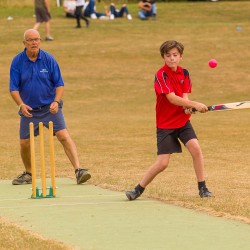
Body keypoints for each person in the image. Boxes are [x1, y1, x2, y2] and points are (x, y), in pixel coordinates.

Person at [125, 40, 212, 200]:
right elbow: (172, 98)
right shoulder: (161, 75)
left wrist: (189, 107)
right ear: (163, 57)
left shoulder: (184, 73)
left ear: (181, 57)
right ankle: (137, 189)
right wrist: (195, 104)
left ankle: (203, 188)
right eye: (168, 55)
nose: (172, 58)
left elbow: (184, 96)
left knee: (196, 149)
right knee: (163, 163)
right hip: (165, 124)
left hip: (183, 121)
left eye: (175, 55)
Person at [9, 29, 91, 186]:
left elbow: (59, 84)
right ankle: (29, 173)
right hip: (29, 110)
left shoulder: (48, 59)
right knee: (24, 143)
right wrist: (20, 104)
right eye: (31, 40)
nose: (34, 43)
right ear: (24, 43)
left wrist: (56, 102)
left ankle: (78, 170)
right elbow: (13, 88)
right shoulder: (17, 61)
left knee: (64, 136)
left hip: (50, 107)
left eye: (37, 39)